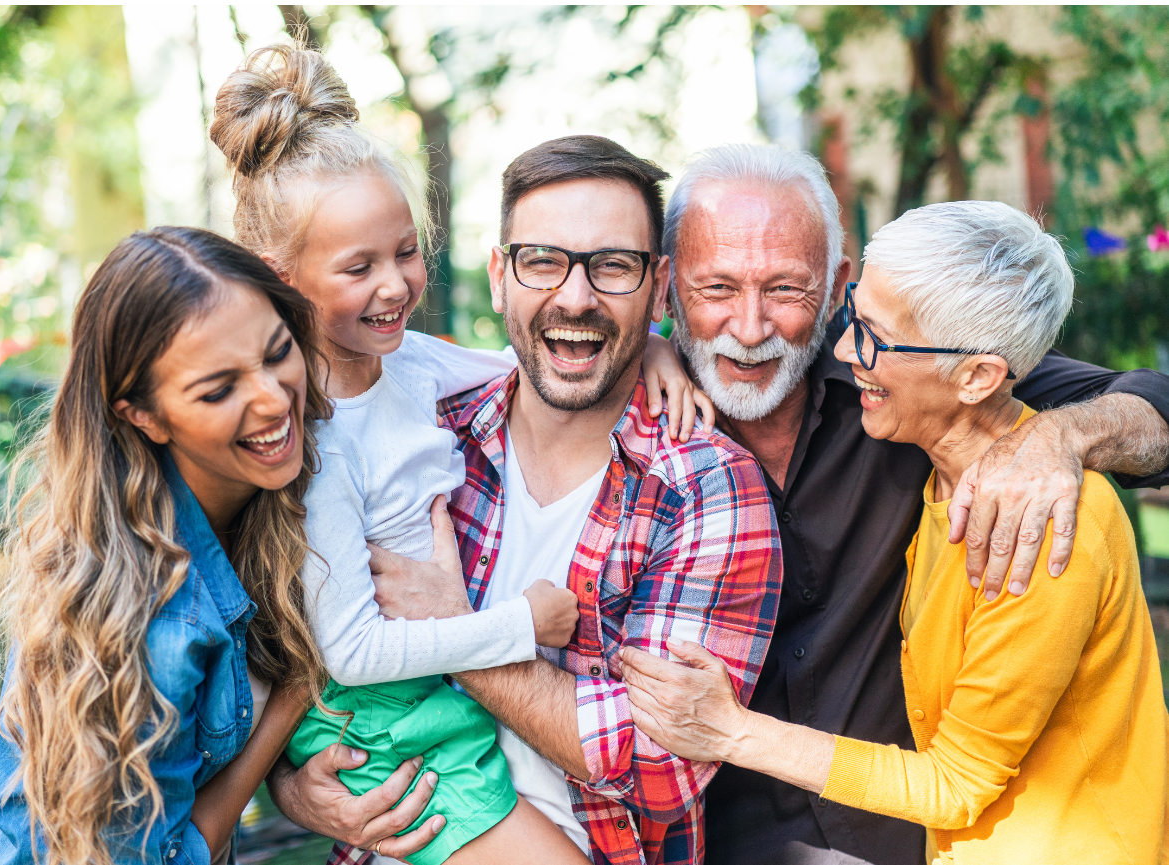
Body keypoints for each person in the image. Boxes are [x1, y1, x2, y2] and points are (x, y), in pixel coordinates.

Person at [209, 50, 713, 864]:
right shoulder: (317, 443)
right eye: (359, 267)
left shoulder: (411, 365)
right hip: (383, 715)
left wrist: (652, 346)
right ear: (283, 279)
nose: (395, 285)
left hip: (433, 706)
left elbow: (539, 356)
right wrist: (519, 627)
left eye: (405, 252)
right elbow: (349, 651)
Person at [271, 134, 783, 865]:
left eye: (614, 266)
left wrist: (457, 629)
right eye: (542, 260)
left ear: (659, 286)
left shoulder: (704, 487)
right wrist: (292, 787)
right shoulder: (426, 429)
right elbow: (293, 631)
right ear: (499, 276)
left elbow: (660, 763)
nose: (575, 297)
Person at [655, 144, 1169, 865]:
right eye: (714, 288)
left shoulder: (1020, 494)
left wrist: (1063, 434)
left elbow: (957, 780)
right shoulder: (929, 460)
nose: (749, 325)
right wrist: (647, 351)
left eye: (786, 289)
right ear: (666, 288)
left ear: (833, 286)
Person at [0, 227, 335, 864]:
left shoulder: (256, 489)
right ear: (142, 414)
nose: (273, 398)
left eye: (278, 351)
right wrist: (291, 699)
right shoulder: (154, 620)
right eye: (218, 390)